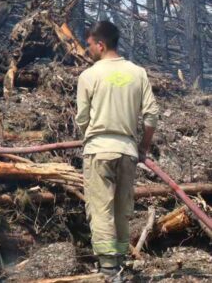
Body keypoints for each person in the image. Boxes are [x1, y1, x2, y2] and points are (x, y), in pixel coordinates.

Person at [75, 21, 159, 282]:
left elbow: (82, 118)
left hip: (99, 151)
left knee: (100, 208)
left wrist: (91, 136)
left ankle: (109, 269)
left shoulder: (89, 76)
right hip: (128, 151)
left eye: (90, 44)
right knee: (122, 208)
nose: (88, 49)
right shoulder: (138, 73)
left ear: (100, 45)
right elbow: (151, 116)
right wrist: (143, 147)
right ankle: (121, 262)